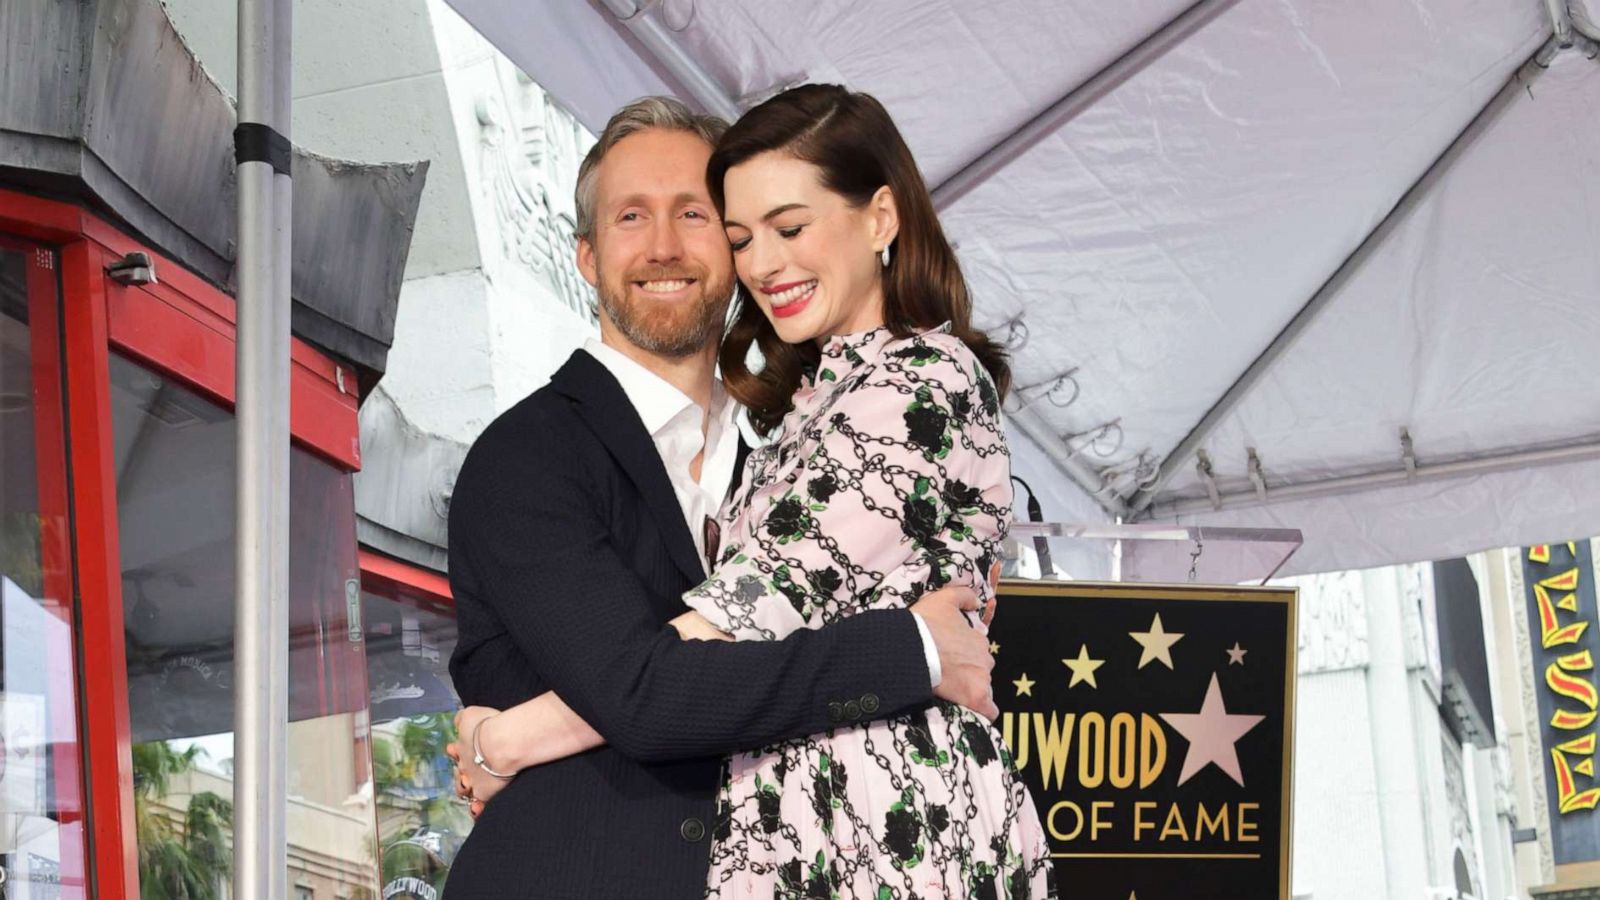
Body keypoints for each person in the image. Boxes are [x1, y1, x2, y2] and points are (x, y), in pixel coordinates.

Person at [453, 85, 1054, 898]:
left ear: (880, 218)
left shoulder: (906, 389)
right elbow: (653, 690)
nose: (666, 245)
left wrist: (510, 740)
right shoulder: (529, 456)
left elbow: (697, 657)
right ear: (587, 255)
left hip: (886, 845)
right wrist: (912, 651)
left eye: (697, 217)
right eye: (632, 216)